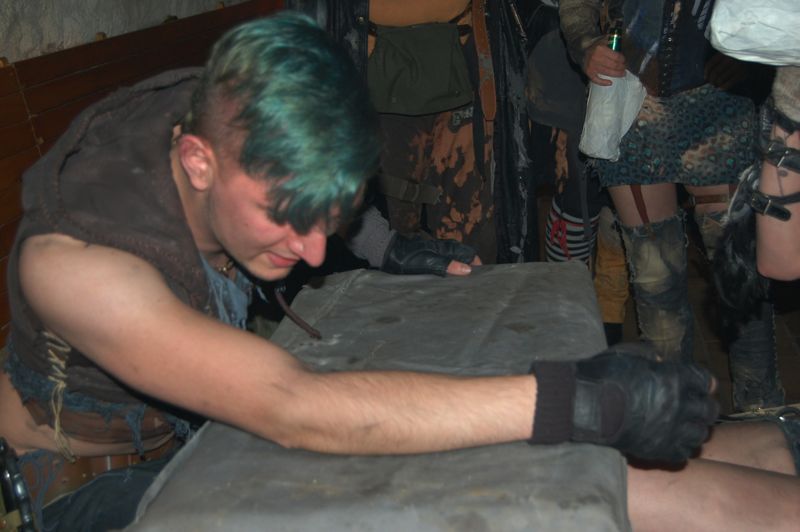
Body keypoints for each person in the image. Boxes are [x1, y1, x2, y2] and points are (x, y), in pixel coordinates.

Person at [0, 12, 797, 532]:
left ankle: (775, 450)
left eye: (329, 218)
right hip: (96, 493)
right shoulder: (79, 266)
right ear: (197, 161)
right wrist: (581, 399)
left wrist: (382, 244)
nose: (317, 253)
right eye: (287, 218)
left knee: (583, 449)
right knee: (498, 477)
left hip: (204, 424)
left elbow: (323, 184)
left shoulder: (223, 103)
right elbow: (291, 406)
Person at [558, 0, 785, 413]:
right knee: (654, 280)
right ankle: (669, 417)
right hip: (633, 99)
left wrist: (752, 55)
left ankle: (764, 418)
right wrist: (586, 44)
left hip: (720, 98)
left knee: (739, 279)